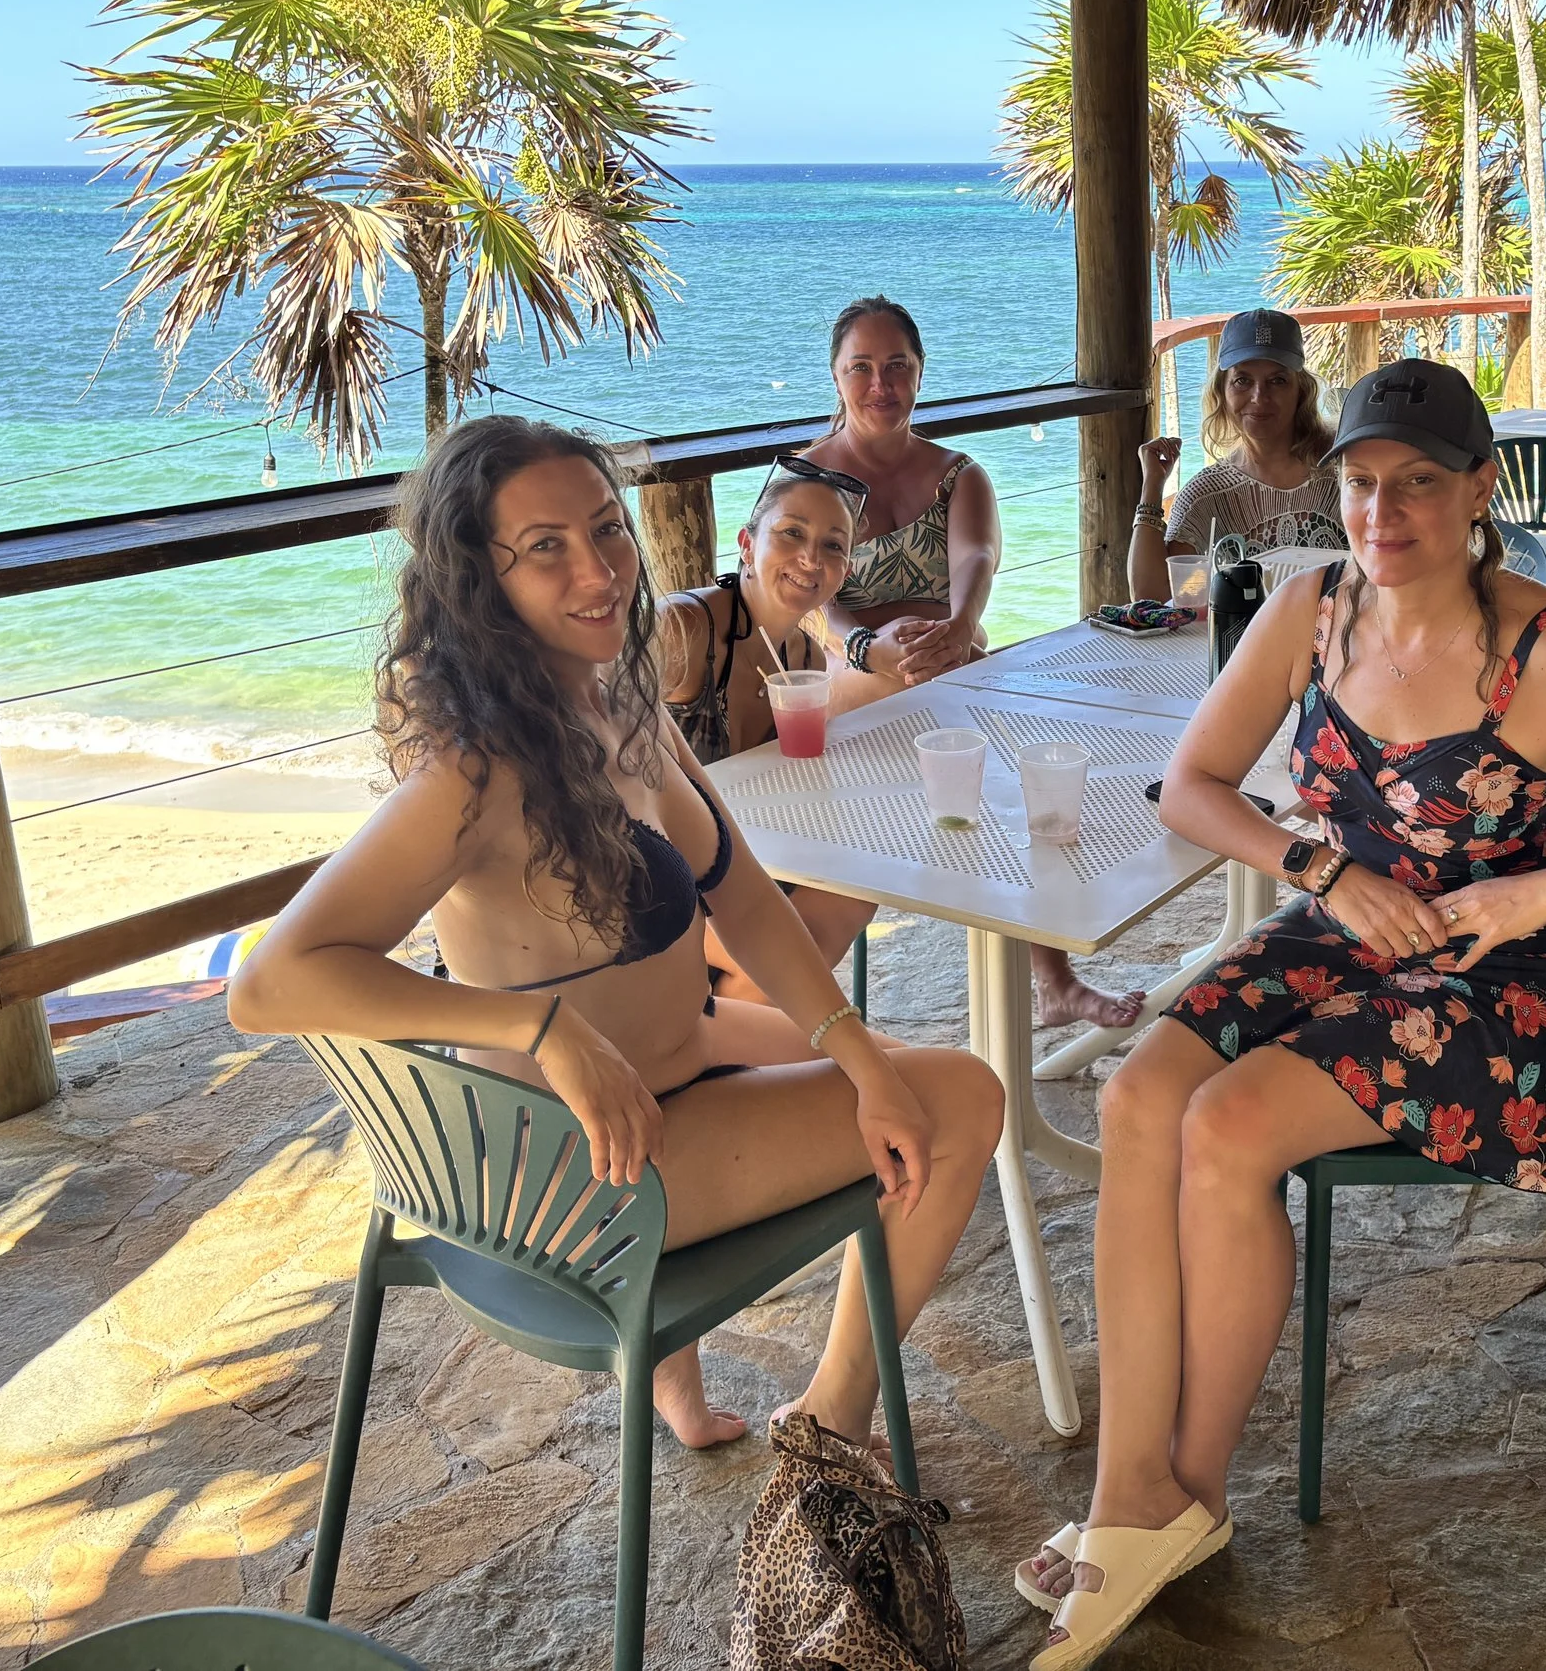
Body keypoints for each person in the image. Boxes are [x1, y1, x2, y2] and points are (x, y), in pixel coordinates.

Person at [1014, 361, 1546, 1671]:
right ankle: (1127, 1493)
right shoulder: (1314, 610)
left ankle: (1182, 1493)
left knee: (1224, 1129)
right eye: (1363, 482)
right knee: (1130, 1095)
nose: (1383, 511)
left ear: (1480, 488)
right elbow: (1193, 787)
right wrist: (1319, 865)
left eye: (1419, 483)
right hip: (1344, 924)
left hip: (1497, 980)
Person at [227, 414, 1002, 1455]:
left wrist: (854, 1049)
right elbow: (268, 983)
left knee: (902, 1078)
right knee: (962, 1101)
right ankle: (831, 1428)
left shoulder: (622, 694)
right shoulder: (475, 765)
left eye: (607, 530)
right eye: (545, 547)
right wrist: (541, 1028)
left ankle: (679, 1392)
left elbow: (743, 896)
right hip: (572, 1165)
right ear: (478, 577)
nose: (598, 571)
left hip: (673, 1062)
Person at [804, 295, 1144, 1031]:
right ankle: (799, 1010)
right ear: (835, 377)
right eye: (860, 367)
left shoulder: (958, 474)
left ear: (921, 375)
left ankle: (1053, 977)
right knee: (953, 769)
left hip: (953, 680)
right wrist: (870, 645)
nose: (880, 384)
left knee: (1029, 785)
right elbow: (806, 597)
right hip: (850, 688)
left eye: (897, 366)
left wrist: (958, 627)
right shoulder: (807, 481)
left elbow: (975, 557)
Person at [659, 455, 877, 1005]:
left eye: (833, 545)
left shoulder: (802, 653)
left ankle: (737, 1043)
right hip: (650, 879)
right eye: (791, 533)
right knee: (782, 969)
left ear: (845, 571)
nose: (810, 557)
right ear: (747, 544)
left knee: (858, 890)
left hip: (730, 872)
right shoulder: (685, 630)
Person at [1129, 307, 1344, 603]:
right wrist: (1152, 487)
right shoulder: (1210, 493)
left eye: (1277, 380)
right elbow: (1156, 595)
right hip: (1245, 647)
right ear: (1222, 390)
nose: (1259, 397)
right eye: (1243, 380)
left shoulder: (1344, 468)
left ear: (1301, 390)